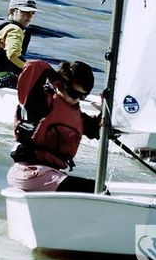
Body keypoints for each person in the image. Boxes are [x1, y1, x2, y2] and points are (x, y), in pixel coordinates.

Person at [7, 59, 101, 193]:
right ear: (58, 83)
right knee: (96, 189)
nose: (77, 99)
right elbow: (34, 67)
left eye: (83, 96)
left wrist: (107, 109)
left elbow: (95, 130)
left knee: (99, 188)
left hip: (51, 175)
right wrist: (53, 74)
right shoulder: (40, 103)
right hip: (28, 172)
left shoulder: (76, 114)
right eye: (74, 93)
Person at [0, 0, 40, 88]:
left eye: (32, 13)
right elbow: (12, 55)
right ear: (11, 11)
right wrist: (29, 69)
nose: (30, 16)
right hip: (2, 79)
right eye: (25, 11)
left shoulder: (1, 25)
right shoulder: (14, 29)